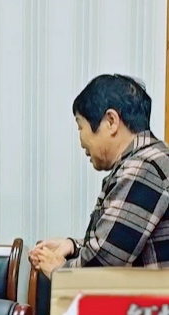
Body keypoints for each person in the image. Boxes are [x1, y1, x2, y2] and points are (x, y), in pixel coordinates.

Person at [30, 74, 169, 276]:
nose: (81, 141)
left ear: (111, 121)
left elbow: (105, 263)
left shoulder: (143, 167)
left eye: (80, 126)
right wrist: (73, 246)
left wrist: (59, 271)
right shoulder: (152, 159)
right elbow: (120, 244)